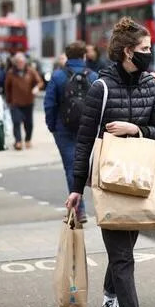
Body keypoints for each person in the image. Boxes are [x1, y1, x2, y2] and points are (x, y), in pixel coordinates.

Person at [65, 16, 155, 307]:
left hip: (140, 178)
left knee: (124, 248)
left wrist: (134, 129)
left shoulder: (152, 85)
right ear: (127, 51)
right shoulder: (101, 88)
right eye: (144, 49)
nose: (149, 54)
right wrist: (76, 188)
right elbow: (83, 141)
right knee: (122, 254)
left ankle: (110, 297)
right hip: (108, 180)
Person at [44, 41, 98, 223]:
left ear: (67, 56)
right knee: (87, 166)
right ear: (84, 56)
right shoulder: (93, 76)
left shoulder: (58, 76)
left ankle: (79, 210)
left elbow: (49, 104)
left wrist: (52, 126)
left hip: (64, 129)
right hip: (88, 128)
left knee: (71, 167)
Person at [4, 52, 43, 150]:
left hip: (28, 101)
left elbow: (40, 82)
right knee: (16, 122)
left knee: (28, 123)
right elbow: (7, 87)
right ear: (15, 63)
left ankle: (28, 139)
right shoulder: (10, 72)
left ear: (25, 62)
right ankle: (18, 141)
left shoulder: (31, 71)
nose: (20, 64)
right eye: (18, 62)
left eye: (22, 62)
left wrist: (37, 88)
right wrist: (8, 100)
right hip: (15, 102)